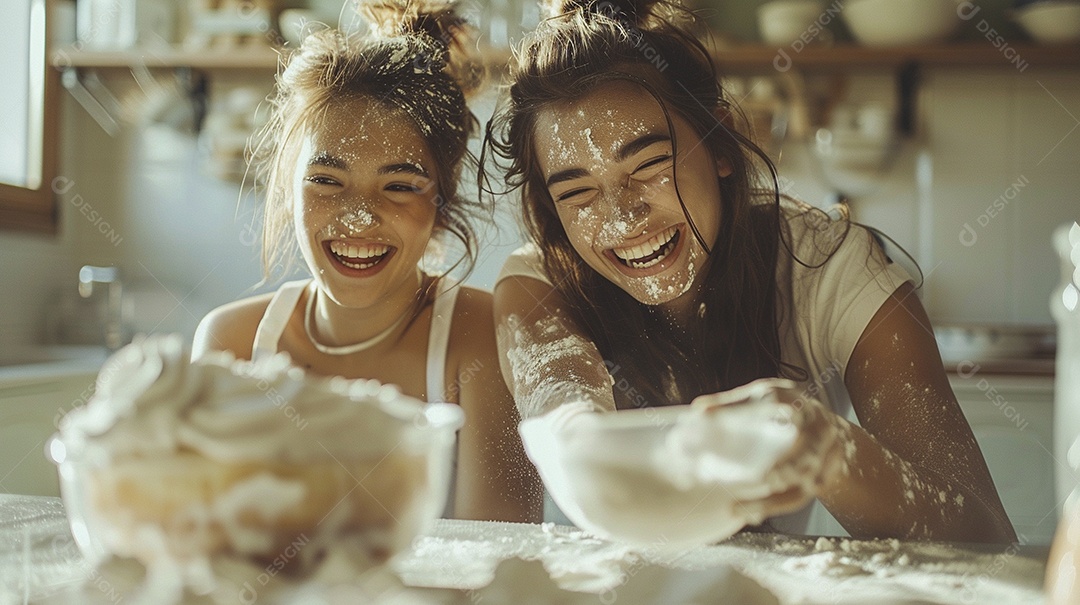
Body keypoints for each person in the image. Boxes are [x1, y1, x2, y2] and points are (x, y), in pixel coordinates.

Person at [484, 0, 1015, 541]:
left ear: (720, 144)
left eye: (648, 165)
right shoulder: (539, 287)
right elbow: (570, 429)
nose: (623, 216)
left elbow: (983, 534)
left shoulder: (833, 271)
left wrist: (831, 451)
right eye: (579, 194)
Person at [193, 0, 541, 524]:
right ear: (289, 191)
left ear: (441, 204)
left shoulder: (479, 341)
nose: (359, 218)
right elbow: (202, 544)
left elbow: (498, 570)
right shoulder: (231, 345)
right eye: (327, 181)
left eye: (399, 185)